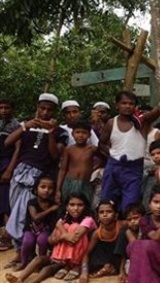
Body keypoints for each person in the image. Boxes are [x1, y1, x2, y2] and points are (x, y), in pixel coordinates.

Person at [4, 93, 68, 261]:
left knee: (25, 212)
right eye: (42, 108)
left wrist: (51, 133)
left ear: (54, 112)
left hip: (38, 176)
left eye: (49, 110)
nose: (45, 112)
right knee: (14, 210)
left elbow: (55, 155)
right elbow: (7, 142)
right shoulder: (25, 125)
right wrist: (24, 127)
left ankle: (25, 252)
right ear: (37, 108)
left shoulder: (60, 131)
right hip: (19, 172)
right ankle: (21, 249)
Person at [6, 192, 96, 283]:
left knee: (49, 268)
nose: (76, 208)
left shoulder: (88, 220)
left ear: (85, 206)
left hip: (78, 258)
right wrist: (62, 235)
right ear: (66, 206)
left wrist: (60, 230)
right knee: (39, 259)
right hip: (60, 256)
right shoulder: (64, 220)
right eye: (72, 205)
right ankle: (19, 280)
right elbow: (50, 240)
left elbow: (74, 237)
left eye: (80, 205)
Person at [99, 91, 160, 212]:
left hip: (133, 169)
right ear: (117, 105)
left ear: (135, 106)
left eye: (131, 104)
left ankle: (126, 230)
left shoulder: (142, 122)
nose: (127, 106)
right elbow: (101, 143)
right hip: (113, 166)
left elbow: (157, 110)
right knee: (107, 202)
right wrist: (112, 154)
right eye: (124, 103)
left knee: (130, 205)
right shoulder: (111, 123)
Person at [19, 174, 59, 269]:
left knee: (42, 241)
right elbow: (35, 217)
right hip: (30, 228)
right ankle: (24, 262)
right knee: (27, 241)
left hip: (45, 229)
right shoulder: (32, 202)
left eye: (50, 188)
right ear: (36, 189)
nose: (46, 190)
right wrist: (50, 210)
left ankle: (40, 263)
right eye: (43, 187)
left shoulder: (53, 204)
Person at [80, 199, 123, 283]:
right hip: (104, 258)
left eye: (109, 211)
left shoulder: (122, 226)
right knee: (96, 250)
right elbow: (86, 254)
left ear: (116, 215)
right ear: (97, 217)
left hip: (119, 258)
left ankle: (112, 268)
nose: (105, 215)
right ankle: (107, 267)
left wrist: (122, 272)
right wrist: (84, 272)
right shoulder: (97, 233)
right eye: (101, 212)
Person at [56, 120, 97, 206]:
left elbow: (102, 159)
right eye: (77, 132)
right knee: (67, 206)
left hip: (86, 183)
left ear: (89, 135)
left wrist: (94, 170)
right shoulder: (69, 149)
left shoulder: (92, 149)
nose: (80, 135)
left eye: (84, 133)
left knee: (85, 206)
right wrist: (58, 190)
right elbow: (63, 170)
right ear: (72, 134)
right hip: (70, 182)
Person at [0, 98, 20, 246]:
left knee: (6, 199)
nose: (3, 111)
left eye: (6, 108)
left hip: (7, 162)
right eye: (1, 108)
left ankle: (7, 236)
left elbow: (18, 149)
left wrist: (9, 169)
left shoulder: (16, 125)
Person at [115, 203, 145, 283]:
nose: (133, 222)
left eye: (136, 218)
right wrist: (121, 271)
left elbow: (138, 247)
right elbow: (122, 254)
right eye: (129, 219)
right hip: (130, 263)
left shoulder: (147, 228)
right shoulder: (125, 230)